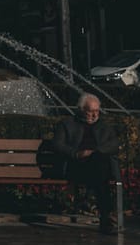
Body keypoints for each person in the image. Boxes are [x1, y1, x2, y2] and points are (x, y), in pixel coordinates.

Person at [52, 93, 121, 233]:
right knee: (101, 172)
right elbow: (57, 145)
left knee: (99, 162)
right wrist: (77, 153)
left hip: (98, 165)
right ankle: (106, 216)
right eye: (91, 111)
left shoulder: (104, 126)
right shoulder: (67, 124)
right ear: (81, 110)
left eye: (97, 111)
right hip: (77, 166)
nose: (95, 115)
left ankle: (105, 216)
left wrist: (95, 152)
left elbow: (114, 145)